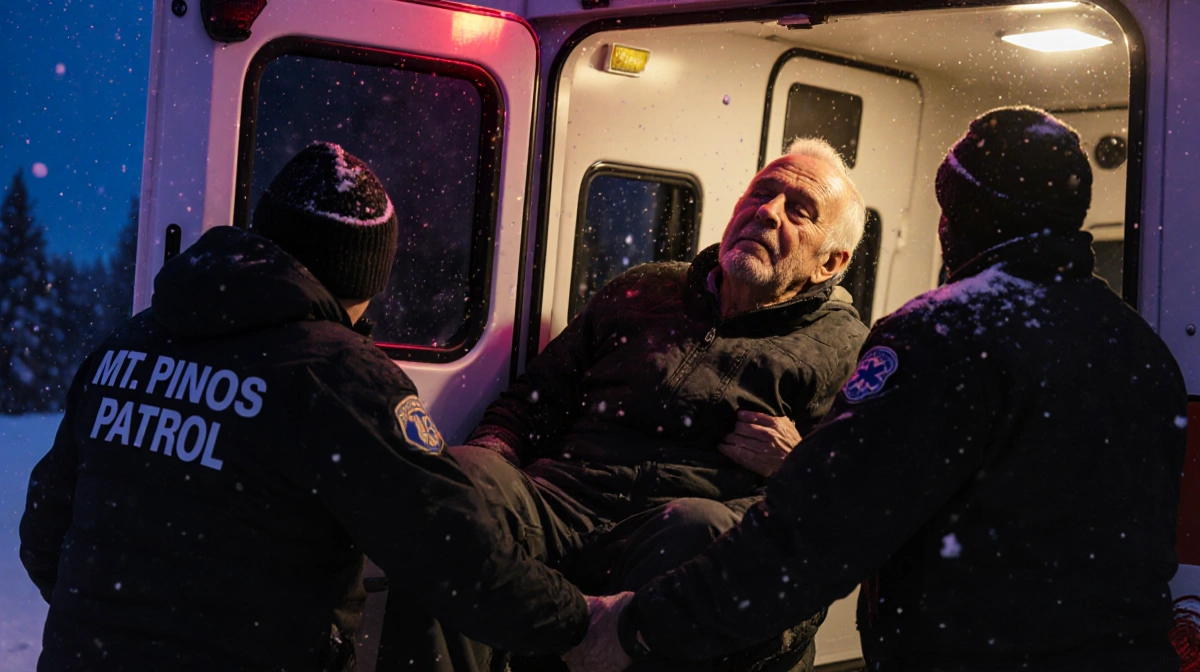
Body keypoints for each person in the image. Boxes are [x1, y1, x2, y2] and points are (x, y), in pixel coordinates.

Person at [566, 106, 1188, 672]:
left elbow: (816, 531)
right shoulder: (1139, 348)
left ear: (957, 217)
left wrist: (637, 626)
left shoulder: (943, 335)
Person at [19, 142, 587, 671]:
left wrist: (118, 630)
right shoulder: (339, 375)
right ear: (358, 276)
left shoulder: (126, 347)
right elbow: (458, 558)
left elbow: (44, 533)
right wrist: (580, 621)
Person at [394, 137, 870, 672]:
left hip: (674, 536)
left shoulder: (847, 351)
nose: (768, 211)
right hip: (561, 503)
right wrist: (489, 459)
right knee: (460, 482)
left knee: (699, 531)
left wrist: (799, 466)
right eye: (761, 193)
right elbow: (534, 400)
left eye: (799, 210)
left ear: (831, 262)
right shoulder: (646, 289)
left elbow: (845, 512)